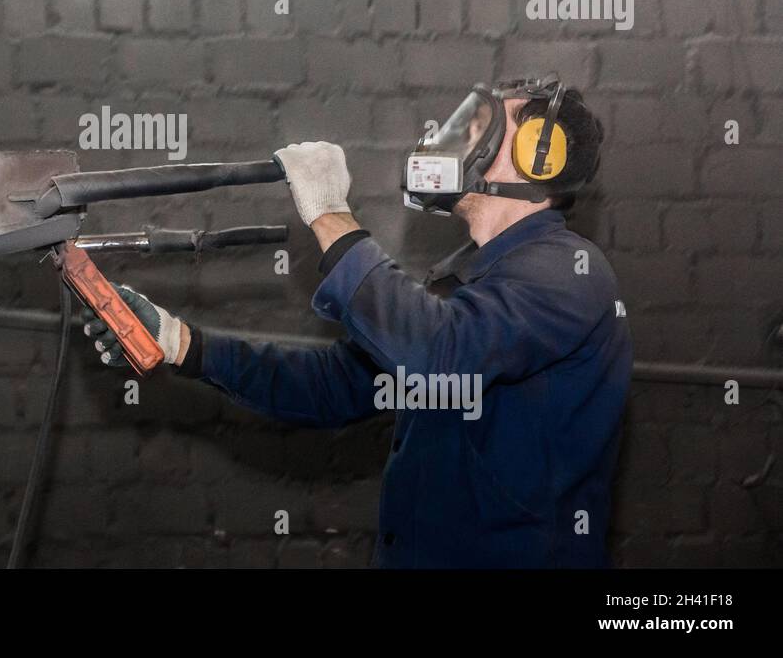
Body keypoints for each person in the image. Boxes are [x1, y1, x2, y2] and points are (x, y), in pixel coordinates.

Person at [85, 76, 632, 567]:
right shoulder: (467, 282)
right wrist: (181, 342)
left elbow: (437, 358)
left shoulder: (569, 273)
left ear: (543, 157)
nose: (457, 138)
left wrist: (328, 212)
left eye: (481, 130)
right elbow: (332, 388)